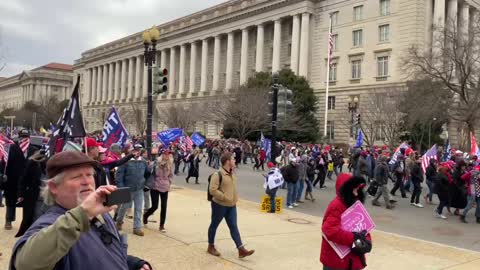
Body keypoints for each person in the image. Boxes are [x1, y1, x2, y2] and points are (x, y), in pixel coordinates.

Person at [9, 151, 151, 270]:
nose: (87, 181)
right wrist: (83, 214)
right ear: (53, 187)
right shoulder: (50, 223)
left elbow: (100, 256)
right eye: (77, 177)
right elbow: (25, 263)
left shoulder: (100, 214)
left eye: (89, 175)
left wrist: (132, 264)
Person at [207, 152, 255, 258]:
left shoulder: (232, 173)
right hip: (219, 205)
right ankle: (210, 246)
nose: (235, 160)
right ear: (227, 162)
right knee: (214, 225)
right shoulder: (217, 174)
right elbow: (212, 190)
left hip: (231, 206)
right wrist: (224, 197)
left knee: (233, 226)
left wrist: (234, 198)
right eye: (233, 159)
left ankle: (241, 249)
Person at [320, 173, 371, 270]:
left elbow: (363, 228)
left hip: (352, 260)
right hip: (336, 261)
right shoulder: (336, 205)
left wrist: (367, 241)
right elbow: (330, 230)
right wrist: (354, 238)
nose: (357, 190)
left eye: (358, 188)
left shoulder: (355, 204)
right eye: (355, 187)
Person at [115, 145, 151, 236]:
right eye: (135, 150)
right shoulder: (125, 162)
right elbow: (119, 176)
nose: (137, 152)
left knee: (138, 209)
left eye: (138, 150)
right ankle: (119, 222)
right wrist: (122, 188)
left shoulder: (143, 162)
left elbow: (147, 173)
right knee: (124, 207)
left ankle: (137, 228)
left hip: (139, 189)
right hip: (128, 189)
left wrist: (146, 183)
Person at [15, 150, 48, 237]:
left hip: (45, 196)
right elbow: (24, 179)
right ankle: (31, 236)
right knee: (32, 217)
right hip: (33, 195)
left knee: (40, 217)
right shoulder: (32, 164)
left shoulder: (48, 164)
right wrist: (21, 194)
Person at [143, 150, 173, 232]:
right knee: (155, 206)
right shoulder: (155, 163)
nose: (167, 156)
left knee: (164, 206)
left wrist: (169, 183)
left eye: (168, 154)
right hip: (155, 187)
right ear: (162, 155)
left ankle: (162, 225)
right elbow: (148, 173)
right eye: (165, 154)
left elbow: (171, 175)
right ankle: (145, 215)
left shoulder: (170, 164)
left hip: (165, 187)